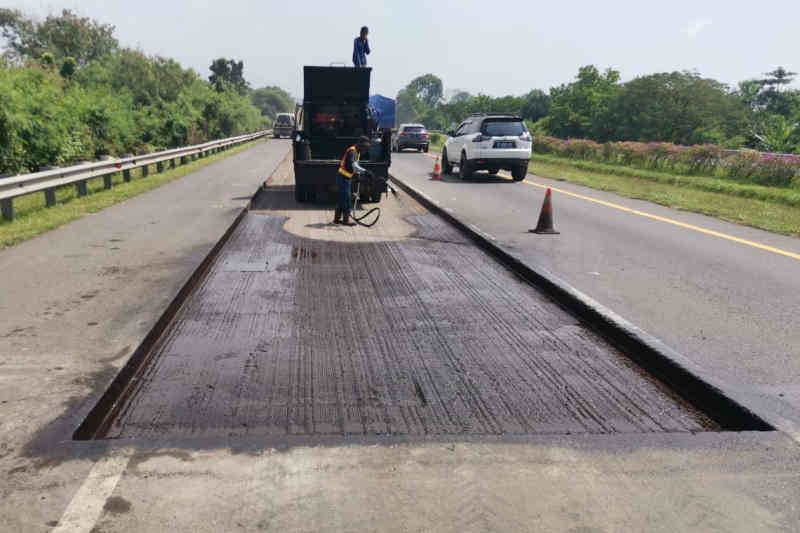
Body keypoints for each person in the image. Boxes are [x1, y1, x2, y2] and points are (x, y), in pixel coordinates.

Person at [334, 136, 371, 226]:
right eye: (364, 147)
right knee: (346, 199)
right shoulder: (352, 151)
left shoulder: (356, 152)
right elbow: (354, 166)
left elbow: (352, 168)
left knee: (342, 199)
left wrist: (357, 177)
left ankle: (336, 219)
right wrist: (365, 172)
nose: (364, 150)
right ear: (359, 144)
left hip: (345, 178)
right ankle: (346, 221)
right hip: (343, 178)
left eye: (366, 148)